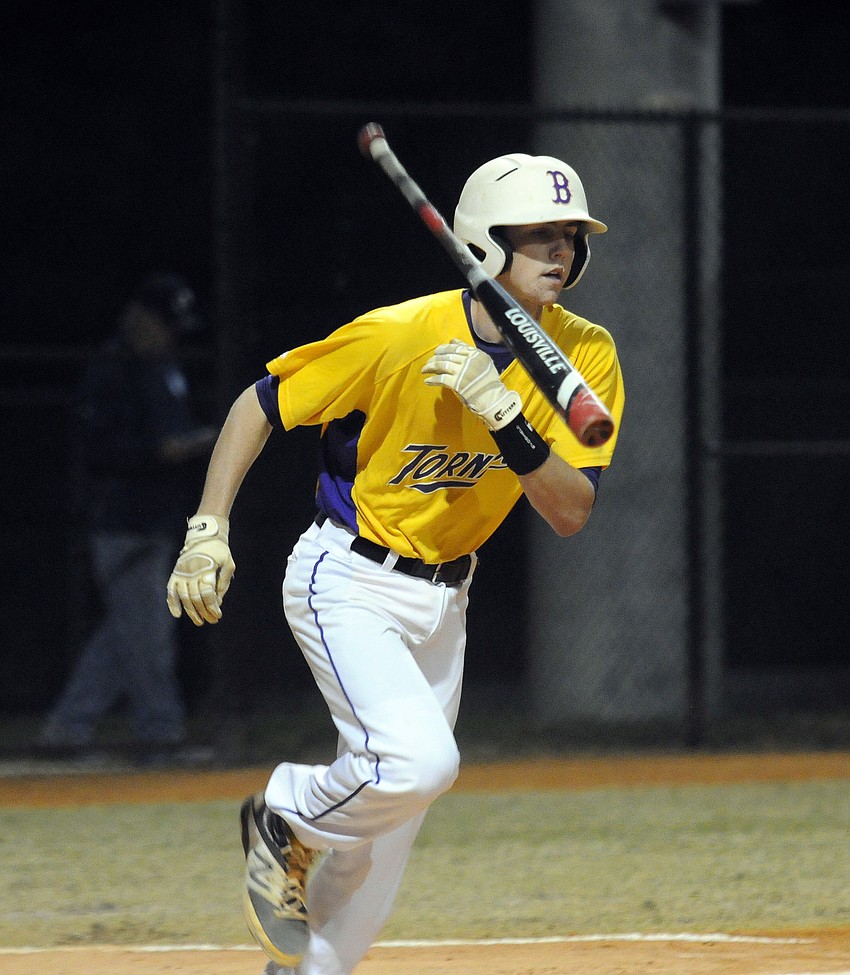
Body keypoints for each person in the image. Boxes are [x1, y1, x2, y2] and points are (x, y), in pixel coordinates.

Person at [166, 152, 625, 975]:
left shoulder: (583, 356)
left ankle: (312, 971)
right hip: (347, 575)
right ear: (484, 243)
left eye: (570, 236)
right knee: (418, 765)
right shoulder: (402, 333)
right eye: (538, 237)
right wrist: (209, 524)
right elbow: (261, 403)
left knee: (393, 815)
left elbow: (569, 510)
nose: (561, 252)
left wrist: (506, 417)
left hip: (447, 597)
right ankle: (285, 809)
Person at [40, 273, 218, 762]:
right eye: (164, 323)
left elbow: (174, 433)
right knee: (148, 638)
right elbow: (98, 451)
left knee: (125, 635)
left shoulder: (161, 365)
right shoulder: (111, 370)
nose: (169, 334)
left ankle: (66, 730)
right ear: (138, 316)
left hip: (155, 520)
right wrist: (164, 451)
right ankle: (161, 735)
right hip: (121, 523)